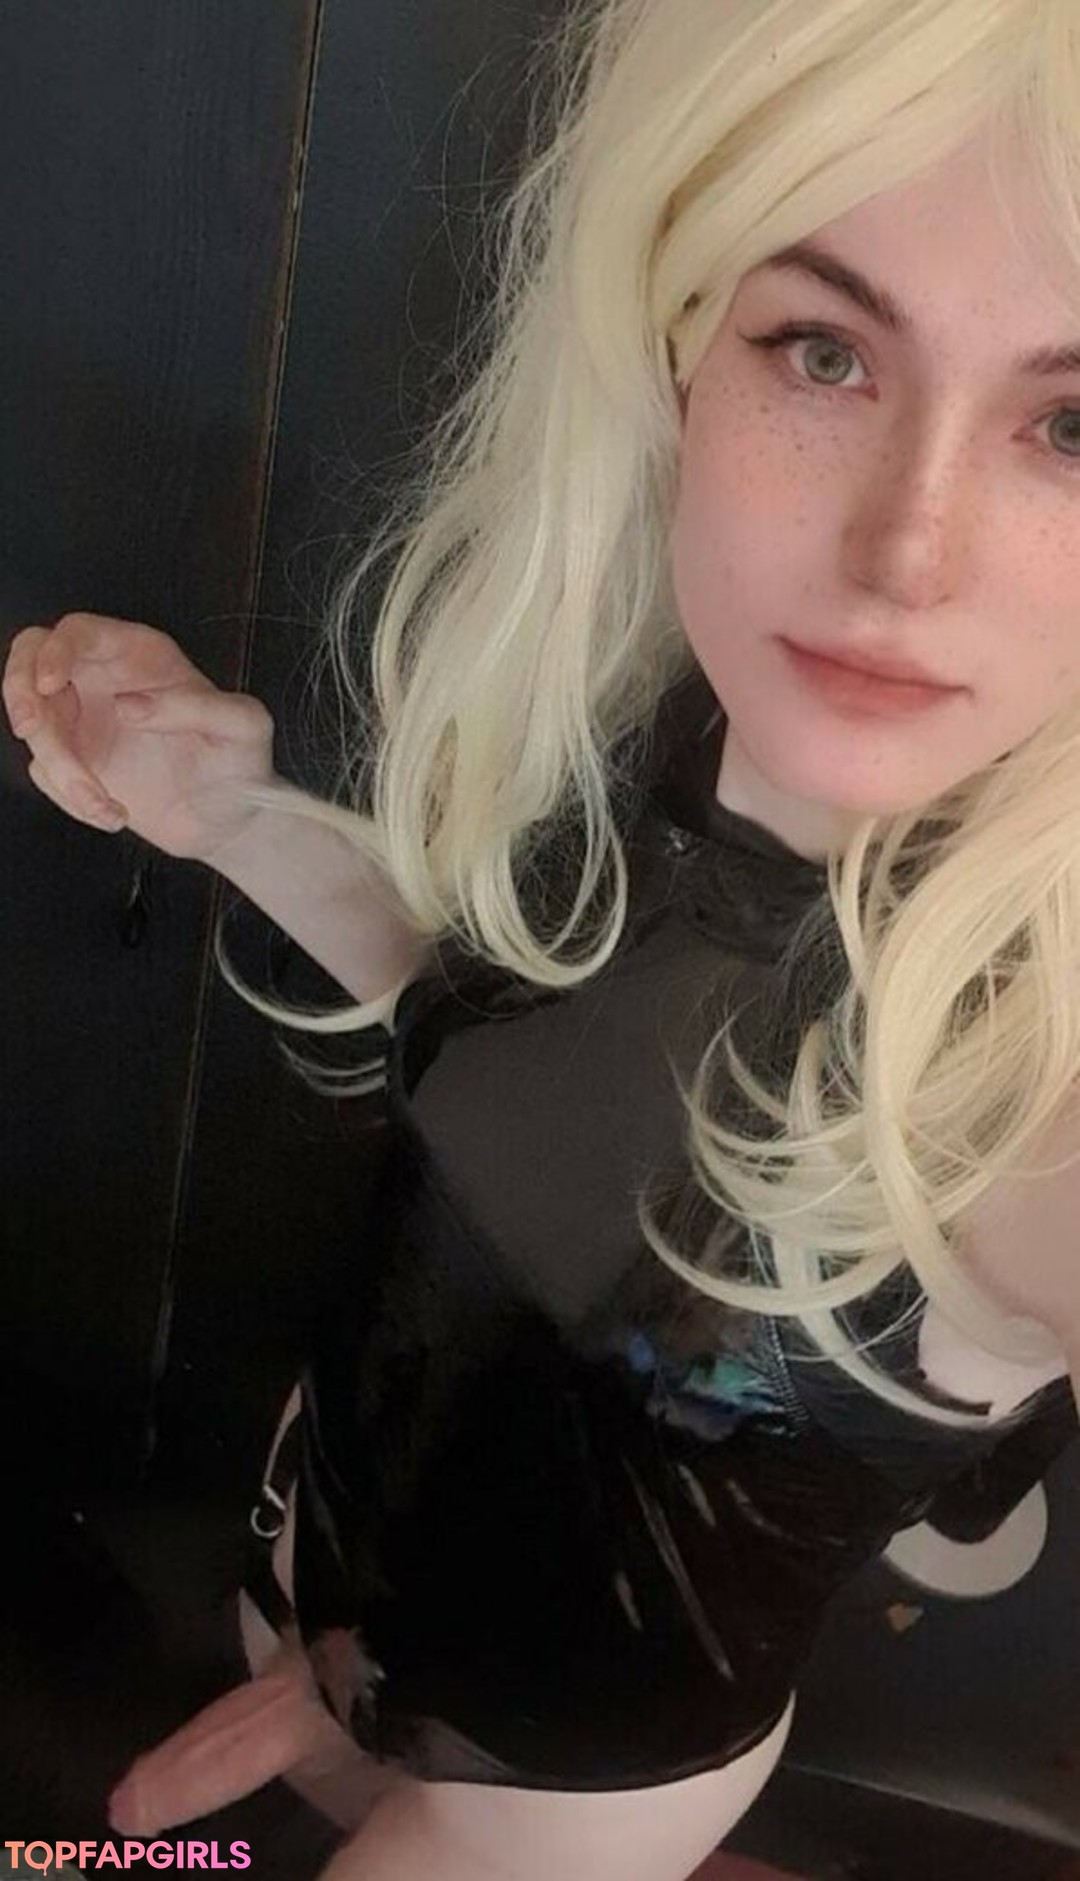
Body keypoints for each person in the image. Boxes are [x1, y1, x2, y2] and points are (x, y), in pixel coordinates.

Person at [6, 0, 1080, 1875]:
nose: (904, 555)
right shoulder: (677, 733)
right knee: (93, 1853)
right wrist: (234, 819)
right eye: (825, 350)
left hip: (534, 1801)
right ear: (682, 343)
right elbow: (524, 1048)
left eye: (1073, 424)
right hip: (309, 1588)